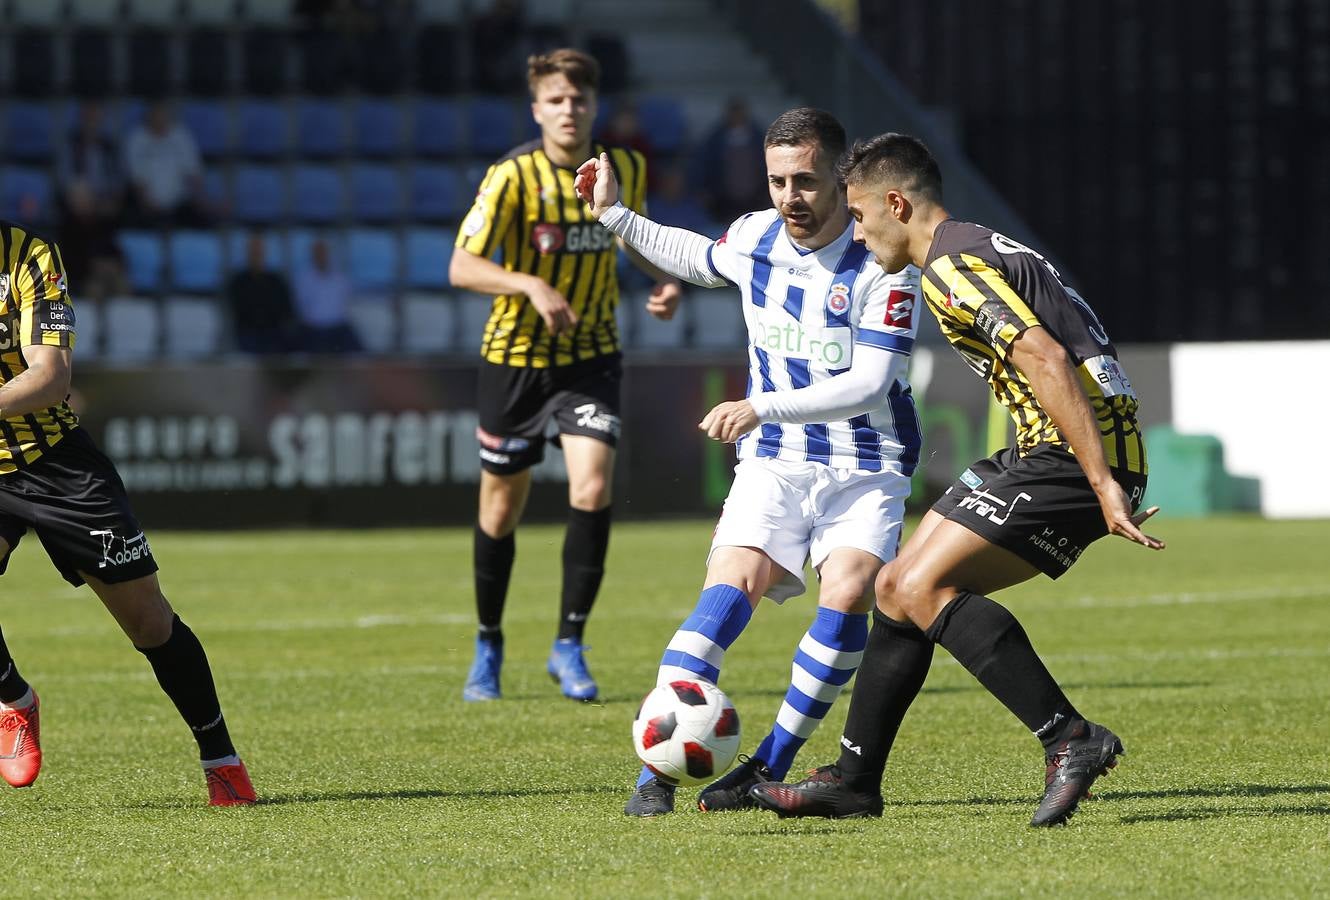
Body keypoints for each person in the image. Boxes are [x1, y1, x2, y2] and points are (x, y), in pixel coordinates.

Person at [747, 133, 1163, 827]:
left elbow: (1046, 358)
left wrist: (1101, 481)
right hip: (1052, 448)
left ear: (896, 203)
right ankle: (854, 780)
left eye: (857, 214)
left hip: (1073, 454)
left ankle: (1071, 738)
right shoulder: (975, 244)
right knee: (892, 588)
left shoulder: (948, 266)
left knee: (922, 587)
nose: (854, 230)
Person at [576, 107, 923, 816]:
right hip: (776, 459)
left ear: (839, 177)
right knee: (730, 587)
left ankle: (769, 762)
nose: (789, 196)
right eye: (776, 181)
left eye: (805, 180)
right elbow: (694, 255)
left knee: (850, 589)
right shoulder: (755, 236)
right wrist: (615, 215)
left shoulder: (883, 260)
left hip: (866, 460)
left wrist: (761, 406)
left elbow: (871, 383)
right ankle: (660, 772)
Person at [449, 49, 682, 703]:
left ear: (592, 106)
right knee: (500, 509)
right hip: (516, 360)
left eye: (578, 99)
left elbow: (629, 235)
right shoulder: (512, 176)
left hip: (592, 357)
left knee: (592, 486)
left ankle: (569, 645)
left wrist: (661, 280)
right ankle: (489, 643)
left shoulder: (623, 167)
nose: (568, 109)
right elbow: (461, 267)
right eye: (555, 99)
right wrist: (525, 284)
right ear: (537, 109)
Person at [0, 219, 255, 806]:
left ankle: (220, 758)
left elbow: (50, 377)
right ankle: (13, 699)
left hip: (54, 462)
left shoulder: (30, 258)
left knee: (148, 622)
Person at [123, 101, 208, 227]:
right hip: (147, 205)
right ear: (149, 117)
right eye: (156, 116)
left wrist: (198, 200)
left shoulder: (181, 135)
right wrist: (147, 204)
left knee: (200, 222)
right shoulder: (136, 139)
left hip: (180, 205)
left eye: (163, 116)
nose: (160, 120)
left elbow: (194, 174)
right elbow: (136, 180)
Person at [225, 233, 299, 355]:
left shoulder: (276, 280)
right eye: (253, 251)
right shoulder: (237, 281)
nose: (256, 254)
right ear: (247, 253)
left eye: (259, 251)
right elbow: (237, 308)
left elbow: (286, 308)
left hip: (273, 332)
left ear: (264, 253)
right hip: (248, 332)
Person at [292, 237, 363, 354]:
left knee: (360, 355)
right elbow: (300, 308)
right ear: (312, 255)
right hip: (313, 330)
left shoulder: (340, 277)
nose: (321, 255)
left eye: (323, 252)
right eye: (318, 252)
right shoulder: (303, 278)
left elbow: (351, 300)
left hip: (338, 328)